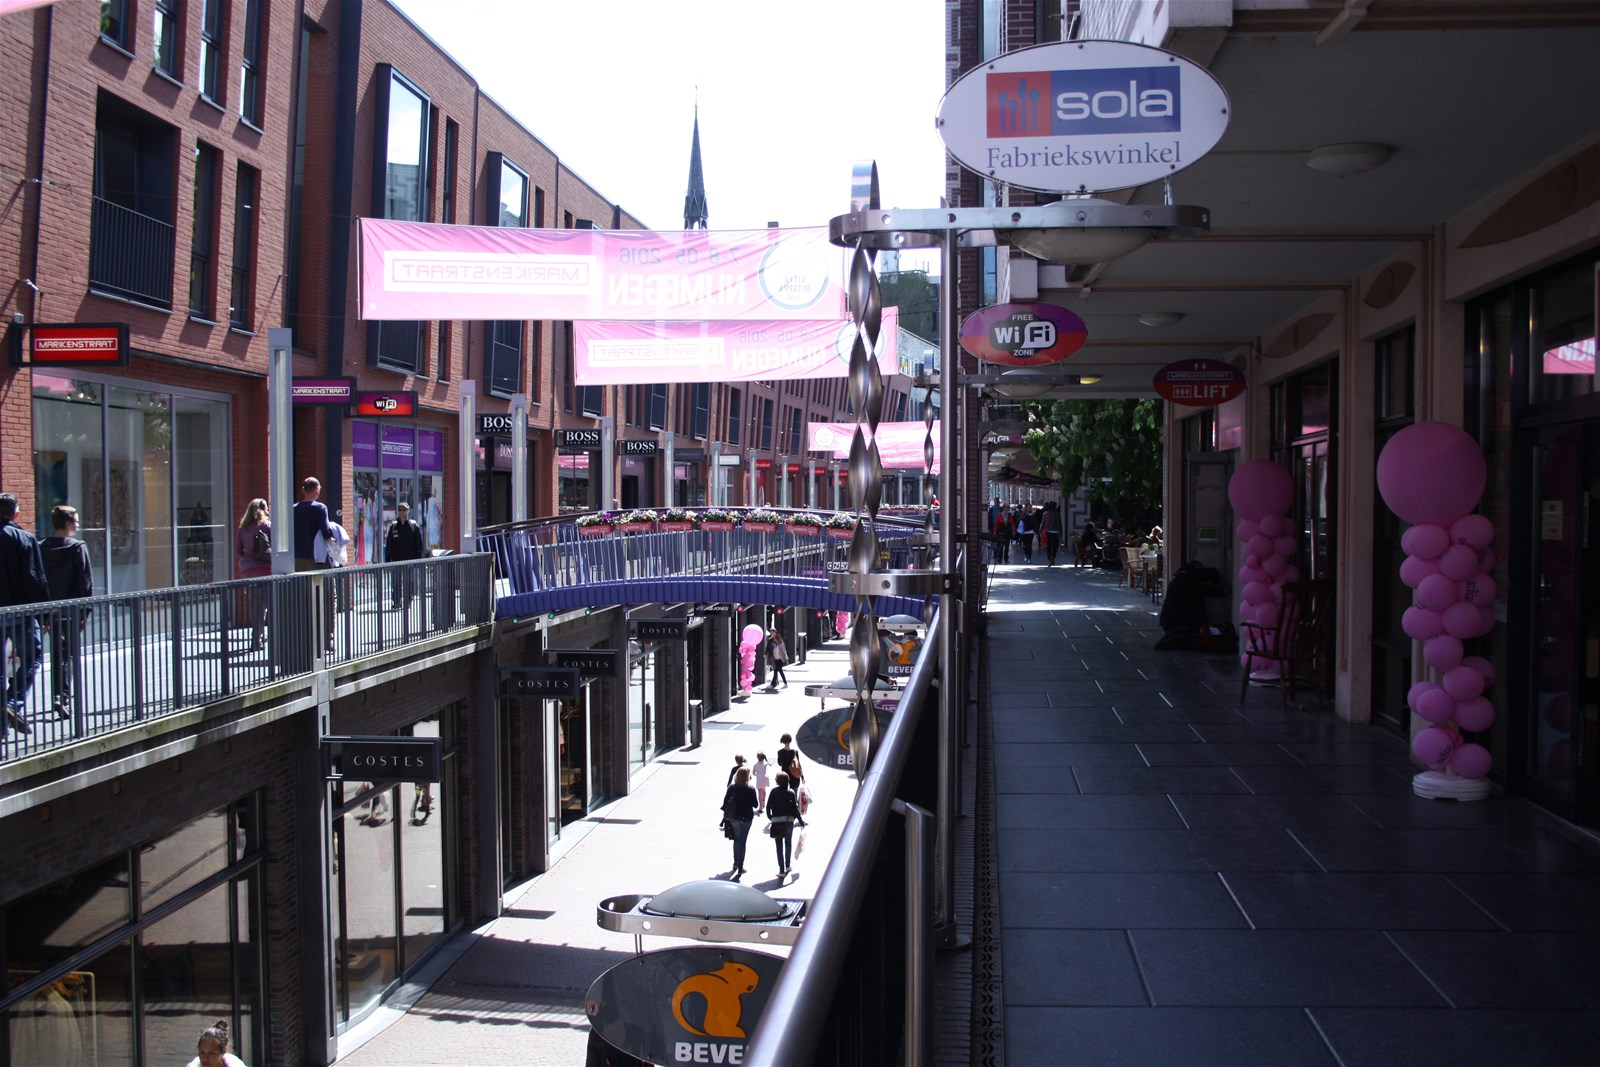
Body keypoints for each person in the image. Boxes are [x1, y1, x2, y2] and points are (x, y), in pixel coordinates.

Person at [0, 493, 48, 737]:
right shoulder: (25, 539)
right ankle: (11, 702)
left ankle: (2, 719)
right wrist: (44, 615)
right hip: (21, 612)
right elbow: (35, 579)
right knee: (33, 657)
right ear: (16, 513)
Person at [40, 505, 93, 721]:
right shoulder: (77, 547)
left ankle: (58, 695)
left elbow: (38, 581)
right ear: (68, 523)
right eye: (76, 521)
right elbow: (85, 582)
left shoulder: (41, 547)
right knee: (70, 654)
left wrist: (41, 615)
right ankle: (64, 697)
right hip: (71, 610)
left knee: (57, 653)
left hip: (50, 610)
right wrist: (85, 613)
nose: (78, 525)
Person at [234, 499, 272, 651]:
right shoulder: (267, 526)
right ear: (263, 510)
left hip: (248, 572)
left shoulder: (243, 529)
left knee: (257, 606)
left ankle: (256, 640)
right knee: (271, 605)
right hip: (266, 570)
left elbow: (238, 551)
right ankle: (267, 637)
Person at [384, 500, 425, 612]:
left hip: (410, 560)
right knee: (396, 582)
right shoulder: (393, 526)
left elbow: (419, 544)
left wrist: (419, 559)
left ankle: (408, 601)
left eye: (404, 509)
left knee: (409, 582)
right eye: (400, 509)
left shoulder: (413, 526)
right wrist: (388, 560)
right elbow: (389, 545)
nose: (402, 512)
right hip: (397, 560)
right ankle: (396, 602)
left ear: (408, 511)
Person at [721, 765, 759, 879]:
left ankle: (735, 863)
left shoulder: (732, 788)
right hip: (746, 818)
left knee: (737, 840)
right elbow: (755, 804)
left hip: (734, 817)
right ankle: (741, 866)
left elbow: (725, 802)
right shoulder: (751, 789)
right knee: (743, 841)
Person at [765, 771, 801, 877]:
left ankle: (781, 870)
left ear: (777, 781)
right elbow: (795, 809)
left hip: (776, 822)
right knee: (788, 843)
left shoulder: (774, 791)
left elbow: (768, 807)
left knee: (779, 846)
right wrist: (800, 820)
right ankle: (788, 865)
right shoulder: (791, 793)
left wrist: (771, 817)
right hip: (788, 821)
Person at [1042, 502, 1063, 567]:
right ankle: (1053, 557)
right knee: (1055, 546)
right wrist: (1061, 533)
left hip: (1047, 531)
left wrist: (1040, 530)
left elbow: (1043, 523)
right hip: (1055, 532)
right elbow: (1059, 524)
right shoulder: (1057, 514)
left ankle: (1049, 559)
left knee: (1048, 546)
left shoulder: (1046, 513)